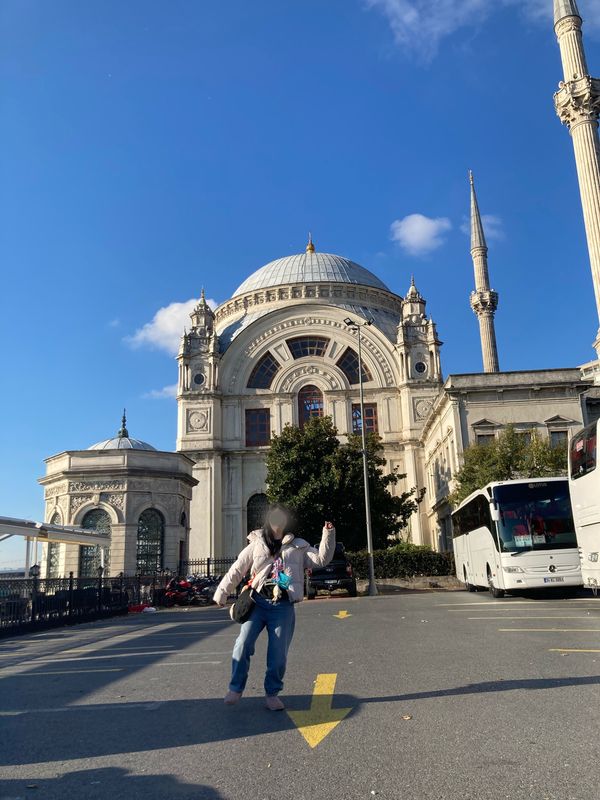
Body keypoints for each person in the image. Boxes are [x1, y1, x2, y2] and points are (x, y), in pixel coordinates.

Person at [213, 504, 335, 711]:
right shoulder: (257, 543)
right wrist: (222, 592)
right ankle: (236, 687)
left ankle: (272, 693)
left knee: (278, 655)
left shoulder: (298, 546)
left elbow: (321, 559)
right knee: (242, 644)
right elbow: (238, 568)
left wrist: (328, 534)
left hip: (283, 605)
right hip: (257, 602)